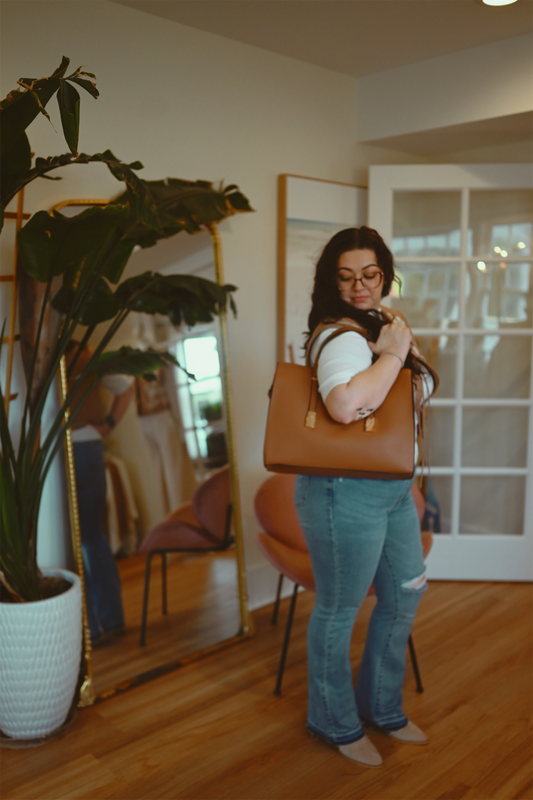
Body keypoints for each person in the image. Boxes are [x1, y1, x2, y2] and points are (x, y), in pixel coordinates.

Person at [295, 227, 438, 768]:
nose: (360, 286)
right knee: (338, 610)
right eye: (347, 275)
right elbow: (345, 404)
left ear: (386, 273)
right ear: (333, 281)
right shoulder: (340, 337)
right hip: (343, 491)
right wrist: (395, 354)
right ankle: (331, 721)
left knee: (405, 593)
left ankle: (383, 708)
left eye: (371, 274)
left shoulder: (383, 327)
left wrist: (400, 348)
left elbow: (409, 397)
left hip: (392, 487)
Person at [67, 343, 135, 646]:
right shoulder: (83, 351)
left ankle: (92, 628)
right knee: (91, 537)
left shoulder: (77, 353)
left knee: (80, 540)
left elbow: (127, 385)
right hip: (87, 446)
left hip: (73, 448)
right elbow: (127, 385)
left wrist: (109, 423)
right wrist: (107, 425)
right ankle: (108, 619)